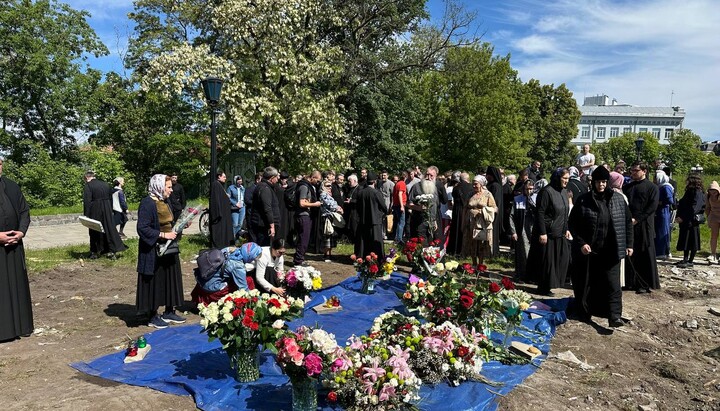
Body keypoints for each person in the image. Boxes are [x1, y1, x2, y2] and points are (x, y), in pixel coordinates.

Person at [568, 166, 633, 328]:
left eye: (604, 182)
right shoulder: (584, 200)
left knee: (613, 284)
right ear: (593, 183)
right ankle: (584, 312)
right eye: (598, 182)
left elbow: (627, 223)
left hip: (611, 250)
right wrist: (582, 243)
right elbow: (573, 224)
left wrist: (629, 244)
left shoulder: (618, 199)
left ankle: (614, 316)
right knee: (586, 283)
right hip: (590, 251)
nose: (601, 185)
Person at [136, 174, 185, 329]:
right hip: (154, 250)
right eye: (168, 187)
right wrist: (163, 235)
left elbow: (169, 220)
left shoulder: (165, 201)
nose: (171, 190)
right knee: (155, 281)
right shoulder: (147, 203)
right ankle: (152, 315)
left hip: (168, 248)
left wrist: (181, 224)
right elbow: (142, 228)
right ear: (158, 186)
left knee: (170, 278)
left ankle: (169, 310)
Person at [0, 157, 34, 342]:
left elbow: (24, 211)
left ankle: (20, 326)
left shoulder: (12, 186)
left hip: (13, 247)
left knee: (16, 287)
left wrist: (20, 232)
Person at [528, 168, 571, 296]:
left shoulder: (563, 192)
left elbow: (564, 212)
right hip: (548, 233)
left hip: (559, 232)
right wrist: (542, 232)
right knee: (547, 262)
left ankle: (552, 284)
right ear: (557, 178)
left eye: (568, 179)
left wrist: (566, 228)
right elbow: (540, 213)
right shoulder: (546, 192)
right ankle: (543, 286)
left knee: (561, 260)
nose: (566, 181)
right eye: (564, 178)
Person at [623, 162, 659, 293]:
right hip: (630, 224)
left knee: (644, 253)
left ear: (644, 171)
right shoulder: (628, 187)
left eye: (636, 170)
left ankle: (643, 283)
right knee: (631, 252)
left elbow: (652, 206)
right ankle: (630, 281)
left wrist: (638, 219)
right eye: (631, 170)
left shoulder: (652, 187)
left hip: (644, 224)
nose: (633, 173)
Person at [83, 171, 127, 259]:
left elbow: (87, 200)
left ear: (87, 177)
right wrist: (111, 210)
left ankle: (94, 252)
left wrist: (86, 214)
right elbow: (110, 198)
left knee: (94, 229)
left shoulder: (88, 185)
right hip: (107, 208)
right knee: (109, 229)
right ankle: (112, 250)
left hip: (95, 208)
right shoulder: (105, 184)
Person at [462, 175, 496, 266]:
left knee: (481, 243)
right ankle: (473, 263)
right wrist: (464, 221)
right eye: (473, 184)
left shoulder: (487, 194)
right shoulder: (470, 194)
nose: (473, 186)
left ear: (481, 184)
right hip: (471, 221)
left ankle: (481, 264)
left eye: (476, 184)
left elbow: (495, 208)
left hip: (482, 223)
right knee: (472, 242)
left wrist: (482, 211)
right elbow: (465, 207)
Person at [407, 166, 447, 244]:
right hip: (419, 221)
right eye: (427, 175)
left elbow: (435, 205)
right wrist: (418, 208)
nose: (428, 177)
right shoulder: (416, 187)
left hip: (432, 222)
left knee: (431, 245)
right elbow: (408, 203)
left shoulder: (434, 188)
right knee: (421, 245)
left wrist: (434, 220)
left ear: (435, 176)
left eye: (431, 175)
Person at [509, 179, 539, 281]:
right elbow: (511, 216)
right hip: (522, 229)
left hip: (534, 228)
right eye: (527, 189)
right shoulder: (518, 199)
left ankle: (534, 275)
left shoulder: (537, 199)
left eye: (531, 189)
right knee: (523, 252)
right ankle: (523, 274)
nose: (529, 191)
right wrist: (513, 231)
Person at [675, 173, 705, 268]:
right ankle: (685, 258)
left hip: (691, 220)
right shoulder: (690, 191)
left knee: (693, 240)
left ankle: (690, 260)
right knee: (686, 240)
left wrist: (683, 217)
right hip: (686, 220)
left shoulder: (697, 192)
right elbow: (683, 203)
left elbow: (695, 207)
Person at [355, 172, 388, 259]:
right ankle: (377, 257)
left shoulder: (360, 192)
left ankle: (363, 256)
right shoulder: (376, 193)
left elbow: (357, 206)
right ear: (375, 181)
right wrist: (384, 212)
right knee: (376, 240)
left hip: (363, 220)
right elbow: (383, 206)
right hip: (375, 220)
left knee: (364, 240)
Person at [293, 171, 322, 266]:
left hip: (305, 215)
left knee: (303, 238)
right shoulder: (304, 187)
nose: (317, 183)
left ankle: (299, 258)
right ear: (312, 177)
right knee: (303, 238)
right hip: (303, 215)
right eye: (317, 180)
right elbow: (302, 203)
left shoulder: (307, 186)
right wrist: (315, 204)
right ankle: (298, 260)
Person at [249, 167, 281, 247]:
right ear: (272, 178)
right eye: (277, 177)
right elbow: (267, 208)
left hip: (263, 224)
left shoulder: (266, 187)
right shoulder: (264, 188)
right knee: (263, 248)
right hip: (263, 225)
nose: (278, 179)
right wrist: (272, 226)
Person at [447, 172, 472, 255]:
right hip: (468, 210)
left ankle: (454, 249)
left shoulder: (456, 188)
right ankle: (466, 250)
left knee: (456, 229)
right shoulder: (472, 187)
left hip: (457, 210)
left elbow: (454, 197)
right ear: (468, 179)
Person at [319, 180, 343, 261]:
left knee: (331, 236)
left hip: (331, 217)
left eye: (330, 186)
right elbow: (329, 204)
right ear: (323, 187)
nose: (330, 187)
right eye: (327, 186)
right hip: (326, 217)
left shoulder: (328, 194)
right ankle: (326, 255)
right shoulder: (323, 194)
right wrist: (338, 208)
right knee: (327, 236)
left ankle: (329, 254)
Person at [209, 170, 234, 249]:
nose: (225, 179)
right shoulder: (216, 184)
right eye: (224, 177)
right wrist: (218, 213)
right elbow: (216, 200)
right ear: (219, 176)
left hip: (224, 212)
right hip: (220, 213)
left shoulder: (219, 185)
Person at [654, 170, 675, 259]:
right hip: (661, 211)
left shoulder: (666, 187)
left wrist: (660, 202)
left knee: (662, 231)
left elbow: (670, 200)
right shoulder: (661, 186)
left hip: (663, 212)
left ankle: (662, 252)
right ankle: (664, 251)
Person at [485, 166, 503, 257]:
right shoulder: (490, 185)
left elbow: (496, 201)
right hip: (488, 213)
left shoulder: (495, 186)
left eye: (488, 175)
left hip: (492, 213)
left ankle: (492, 252)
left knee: (492, 233)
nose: (486, 176)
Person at [391, 170, 408, 245]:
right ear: (405, 177)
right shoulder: (402, 184)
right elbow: (400, 194)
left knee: (398, 222)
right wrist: (402, 206)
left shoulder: (397, 184)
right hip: (399, 205)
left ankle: (397, 238)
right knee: (402, 222)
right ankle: (399, 239)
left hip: (396, 205)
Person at [227, 175, 246, 240]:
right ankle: (233, 238)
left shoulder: (243, 188)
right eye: (238, 180)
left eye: (241, 180)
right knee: (235, 224)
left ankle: (238, 238)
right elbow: (228, 198)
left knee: (240, 224)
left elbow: (243, 197)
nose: (240, 181)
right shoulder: (230, 188)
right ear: (235, 180)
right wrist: (235, 203)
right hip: (234, 208)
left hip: (242, 208)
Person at [707, 181, 720, 264]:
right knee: (713, 236)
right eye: (711, 190)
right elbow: (707, 207)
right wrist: (709, 217)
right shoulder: (707, 196)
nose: (713, 192)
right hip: (714, 217)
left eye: (714, 190)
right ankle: (713, 254)